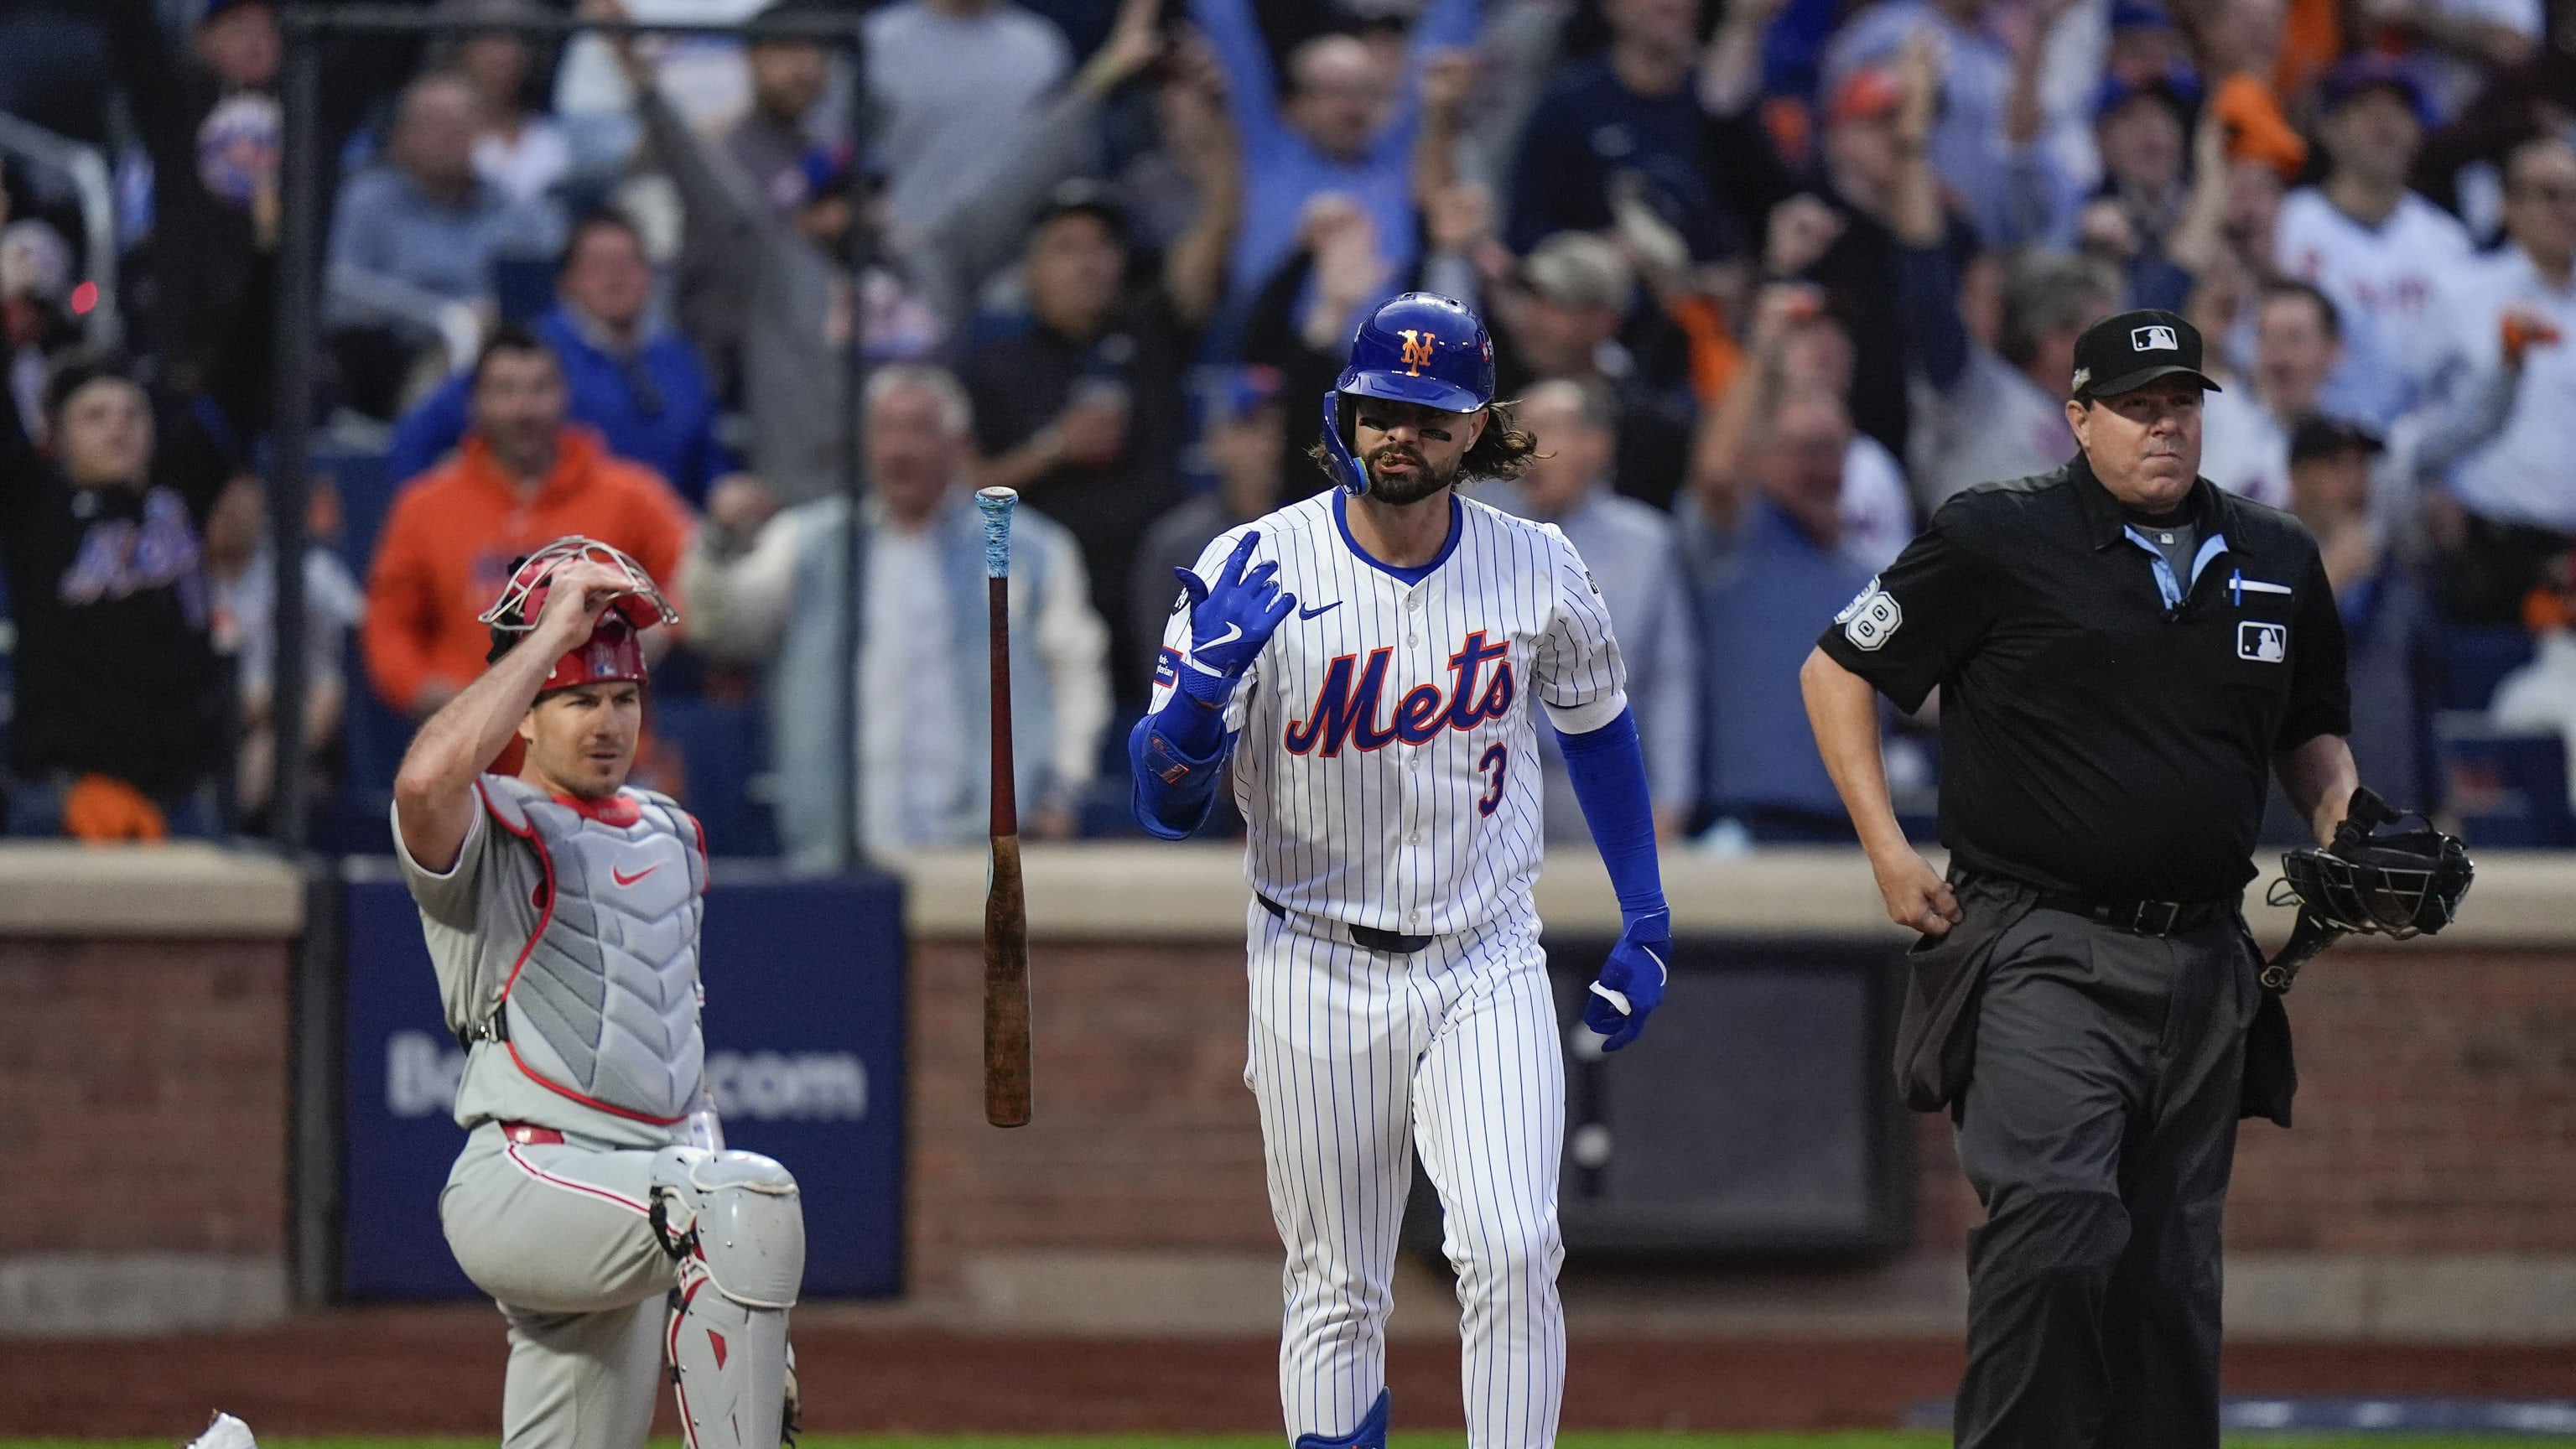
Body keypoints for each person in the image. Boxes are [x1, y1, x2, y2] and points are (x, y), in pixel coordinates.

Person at [1800, 309, 2359, 1447]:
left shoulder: (2276, 554)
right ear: (2079, 418)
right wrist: (1887, 850)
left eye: (2182, 405)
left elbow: (2310, 732)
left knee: (2167, 1280)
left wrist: (2349, 825)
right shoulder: (1998, 535)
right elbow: (1838, 668)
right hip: (2037, 939)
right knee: (2056, 1225)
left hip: (2209, 957)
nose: (2164, 426)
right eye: (2138, 406)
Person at [1129, 293, 1672, 1447]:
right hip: (1313, 958)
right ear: (1343, 413)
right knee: (1336, 1286)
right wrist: (1190, 709)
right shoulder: (1253, 564)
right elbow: (1164, 807)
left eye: (1428, 418)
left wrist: (1646, 911)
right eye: (1381, 411)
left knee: (1514, 1248)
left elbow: (1599, 725)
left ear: (1476, 430)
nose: (1399, 437)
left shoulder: (1536, 563)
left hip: (1485, 954)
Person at [387, 538, 803, 1449]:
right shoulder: (494, 825)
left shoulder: (671, 834)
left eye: (622, 698)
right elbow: (422, 785)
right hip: (528, 1179)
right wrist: (544, 639)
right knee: (746, 1197)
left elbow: (679, 1068)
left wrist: (746, 1285)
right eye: (578, 701)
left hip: (643, 1184)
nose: (608, 722)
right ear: (527, 714)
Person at [681, 365, 1110, 867]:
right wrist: (716, 542)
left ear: (958, 445)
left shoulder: (1032, 549)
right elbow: (722, 629)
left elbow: (1078, 674)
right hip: (839, 848)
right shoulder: (808, 542)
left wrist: (1060, 790)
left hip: (984, 848)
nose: (900, 449)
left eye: (920, 429)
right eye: (886, 430)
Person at [964, 174, 1234, 708]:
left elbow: (1208, 250)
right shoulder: (993, 363)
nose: (1088, 263)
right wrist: (1054, 449)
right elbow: (960, 487)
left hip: (1159, 591)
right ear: (1032, 270)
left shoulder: (1153, 333)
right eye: (1066, 249)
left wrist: (1215, 142)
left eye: (1102, 247)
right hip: (1046, 594)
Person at [365, 330, 696, 719]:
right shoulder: (424, 507)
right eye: (505, 391)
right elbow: (388, 623)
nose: (525, 410)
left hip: (603, 748)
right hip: (473, 752)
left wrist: (661, 629)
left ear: (565, 396)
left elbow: (696, 574)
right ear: (475, 403)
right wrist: (418, 686)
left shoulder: (631, 495)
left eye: (540, 389)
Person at [1472, 377, 1699, 842]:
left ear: (1596, 446)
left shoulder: (1645, 543)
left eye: (1543, 429)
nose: (1520, 446)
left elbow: (1670, 679)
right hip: (1480, 785)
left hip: (1598, 780)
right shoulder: (1472, 532)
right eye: (1515, 431)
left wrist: (1673, 800)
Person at [387, 210, 732, 506]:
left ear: (650, 276)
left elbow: (707, 465)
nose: (616, 277)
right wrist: (444, 525)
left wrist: (727, 494)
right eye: (598, 265)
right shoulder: (531, 354)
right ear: (568, 281)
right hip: (561, 544)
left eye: (629, 263)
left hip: (664, 542)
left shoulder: (678, 360)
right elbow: (418, 436)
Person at [1189, 0, 1478, 338]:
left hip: (1382, 373)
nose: (1352, 108)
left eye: (1365, 93)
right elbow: (1228, 31)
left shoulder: (1396, 160)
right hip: (1268, 359)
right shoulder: (1263, 153)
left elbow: (1440, 47)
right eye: (1333, 92)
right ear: (1296, 102)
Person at [1688, 385, 1877, 840]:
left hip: (1851, 825)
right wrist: (1765, 345)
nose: (1823, 467)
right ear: (1758, 458)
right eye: (1807, 450)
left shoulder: (1864, 573)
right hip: (1746, 820)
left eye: (1835, 449)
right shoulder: (1734, 544)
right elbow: (1716, 472)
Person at [325, 72, 563, 418]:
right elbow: (340, 294)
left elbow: (555, 283)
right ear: (401, 135)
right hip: (400, 354)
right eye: (434, 123)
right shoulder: (365, 203)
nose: (451, 134)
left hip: (507, 349)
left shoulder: (517, 209)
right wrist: (443, 318)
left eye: (462, 122)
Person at [2272, 56, 2472, 428]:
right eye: (2365, 108)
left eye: (2398, 110)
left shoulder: (2449, 241)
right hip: (2308, 442)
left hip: (2415, 455)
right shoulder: (2286, 223)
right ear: (2328, 128)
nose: (2385, 123)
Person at [2427, 135, 2576, 624]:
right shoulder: (2460, 293)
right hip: (2488, 546)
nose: (2565, 209)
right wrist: (2428, 484)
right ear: (2508, 204)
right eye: (2550, 193)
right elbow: (2412, 408)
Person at [1129, 365, 1288, 690]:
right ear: (1214, 441)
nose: (1268, 443)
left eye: (1275, 428)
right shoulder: (1176, 541)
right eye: (1250, 427)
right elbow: (1157, 662)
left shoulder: (1310, 533)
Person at [863, 0, 1072, 233]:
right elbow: (838, 148)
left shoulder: (1041, 48)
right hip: (897, 239)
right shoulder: (878, 40)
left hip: (1007, 245)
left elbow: (1056, 160)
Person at [2197, 279, 2342, 510]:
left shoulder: (2355, 445)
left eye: (2294, 339)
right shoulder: (2207, 423)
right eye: (2266, 338)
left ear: (2334, 350)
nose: (2279, 358)